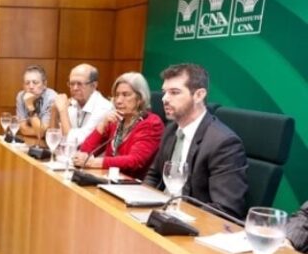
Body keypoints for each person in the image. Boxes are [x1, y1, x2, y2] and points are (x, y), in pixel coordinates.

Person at [143, 63, 248, 219]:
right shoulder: (171, 130)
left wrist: (177, 217)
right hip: (159, 213)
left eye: (174, 92)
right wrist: (139, 201)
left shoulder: (223, 143)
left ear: (199, 95)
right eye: (165, 92)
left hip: (191, 222)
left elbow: (225, 209)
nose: (164, 99)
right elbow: (154, 175)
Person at [72, 72, 164, 179]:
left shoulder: (151, 123)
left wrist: (95, 162)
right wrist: (102, 125)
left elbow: (135, 161)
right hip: (108, 181)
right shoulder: (115, 120)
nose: (119, 101)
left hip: (133, 184)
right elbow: (84, 152)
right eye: (116, 95)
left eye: (125, 95)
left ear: (140, 98)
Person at [56, 63, 113, 146]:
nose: (75, 88)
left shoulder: (104, 108)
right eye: (72, 84)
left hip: (91, 154)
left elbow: (76, 142)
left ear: (94, 86)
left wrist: (62, 111)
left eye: (79, 84)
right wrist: (54, 110)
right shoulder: (72, 102)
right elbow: (55, 137)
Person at [14, 65, 58, 138]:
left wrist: (30, 107)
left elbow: (41, 134)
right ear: (23, 85)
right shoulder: (21, 96)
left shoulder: (52, 98)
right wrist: (41, 131)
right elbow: (23, 129)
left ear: (44, 84)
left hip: (50, 142)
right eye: (27, 83)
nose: (31, 87)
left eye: (35, 82)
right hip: (31, 140)